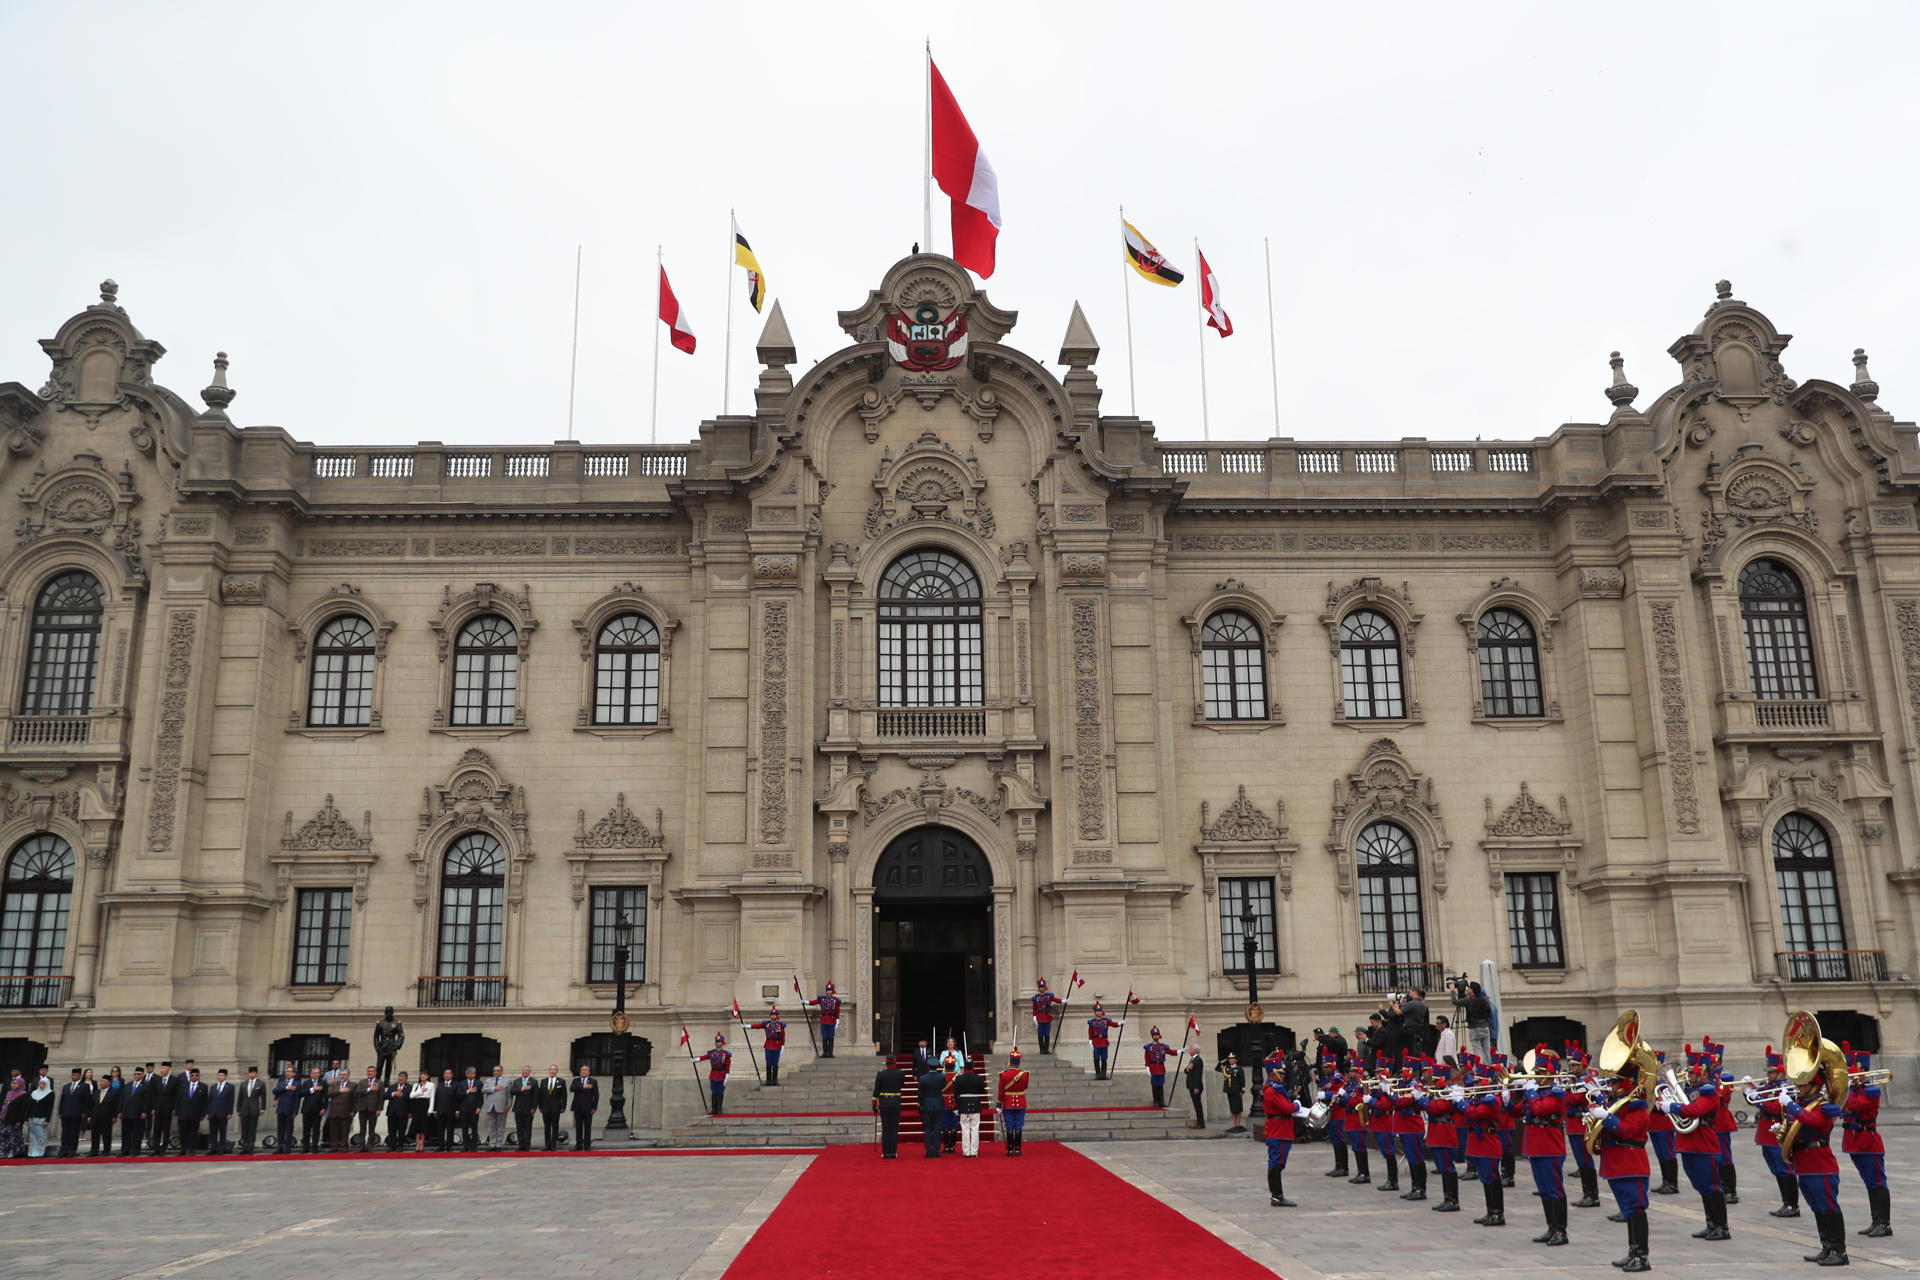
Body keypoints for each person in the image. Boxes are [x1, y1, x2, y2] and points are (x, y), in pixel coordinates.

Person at [1780, 1060, 1849, 1265]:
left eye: (1803, 1085)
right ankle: (1827, 1247)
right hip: (1804, 1164)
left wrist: (1790, 1105)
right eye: (1798, 1085)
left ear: (1815, 1086)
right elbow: (1798, 1128)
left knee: (1828, 1207)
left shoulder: (1824, 1107)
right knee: (1817, 1208)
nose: (1799, 1089)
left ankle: (1840, 1252)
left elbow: (1813, 1121)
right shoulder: (1803, 1106)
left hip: (1820, 1165)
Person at [1588, 1061, 1653, 1273]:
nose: (1612, 1087)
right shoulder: (1618, 1103)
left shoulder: (1637, 1105)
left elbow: (1627, 1131)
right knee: (1628, 1210)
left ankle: (1641, 1257)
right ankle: (1633, 1252)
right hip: (1617, 1163)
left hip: (1630, 1162)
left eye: (1616, 1082)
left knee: (1635, 1209)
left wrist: (1607, 1118)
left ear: (1627, 1083)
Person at [1662, 1044, 1731, 1242]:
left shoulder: (1708, 1091)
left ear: (1703, 1073)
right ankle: (1711, 1224)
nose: (1689, 1077)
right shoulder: (1690, 1090)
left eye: (1693, 1073)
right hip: (1687, 1144)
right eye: (1689, 1073)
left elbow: (1696, 1111)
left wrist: (1672, 1106)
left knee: (1712, 1187)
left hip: (1703, 1145)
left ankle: (1721, 1227)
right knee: (1701, 1186)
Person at [1515, 1050, 1570, 1246]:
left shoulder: (1556, 1093)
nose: (1534, 1075)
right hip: (1536, 1145)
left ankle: (1561, 1231)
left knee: (1554, 1188)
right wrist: (1509, 1095)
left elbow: (1540, 1109)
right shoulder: (1536, 1092)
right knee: (1544, 1189)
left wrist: (1530, 1092)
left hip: (1549, 1145)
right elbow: (1517, 1111)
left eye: (1538, 1071)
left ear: (1548, 1072)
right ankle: (1551, 1227)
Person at [1840, 1042, 1890, 1237]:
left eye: (1849, 1070)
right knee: (1869, 1183)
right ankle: (1876, 1220)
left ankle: (1884, 1224)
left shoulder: (1871, 1091)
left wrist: (1842, 1090)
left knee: (1877, 1182)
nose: (1846, 1074)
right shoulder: (1853, 1090)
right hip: (1854, 1141)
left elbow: (1853, 1105)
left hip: (1868, 1141)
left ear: (1859, 1070)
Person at [1421, 1063, 1463, 1212]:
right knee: (1442, 1167)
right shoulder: (1437, 1093)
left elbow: (1437, 1108)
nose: (1433, 1082)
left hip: (1444, 1133)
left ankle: (1453, 1200)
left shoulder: (1448, 1093)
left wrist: (1422, 1100)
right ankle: (1447, 1198)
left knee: (1447, 1167)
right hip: (1436, 1133)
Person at [1262, 1059, 1299, 1207]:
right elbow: (1287, 1109)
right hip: (1279, 1130)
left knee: (1275, 1162)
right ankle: (1277, 1195)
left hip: (1278, 1128)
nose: (1283, 1076)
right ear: (1273, 1074)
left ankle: (1276, 1194)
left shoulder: (1273, 1088)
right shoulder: (1273, 1090)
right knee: (1277, 1162)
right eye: (1281, 1073)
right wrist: (1296, 1105)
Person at [1391, 1062, 1429, 1202]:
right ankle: (1415, 1187)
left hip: (1412, 1127)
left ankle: (1421, 1189)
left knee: (1417, 1158)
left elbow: (1401, 1103)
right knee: (1411, 1158)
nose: (1403, 1075)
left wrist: (1391, 1095)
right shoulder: (1403, 1085)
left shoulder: (1415, 1086)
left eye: (1407, 1072)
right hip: (1405, 1127)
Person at [871, 1057, 905, 1158]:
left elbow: (876, 1091)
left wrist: (874, 1105)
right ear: (895, 1062)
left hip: (884, 1103)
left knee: (885, 1128)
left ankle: (886, 1153)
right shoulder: (901, 1073)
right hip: (895, 1102)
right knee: (894, 1129)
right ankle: (893, 1153)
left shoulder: (881, 1074)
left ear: (886, 1062)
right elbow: (901, 1085)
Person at [997, 1049, 1028, 1157]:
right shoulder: (1024, 1075)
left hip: (1008, 1103)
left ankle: (1010, 1150)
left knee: (1009, 1126)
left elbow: (1001, 1091)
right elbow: (1025, 1087)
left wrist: (998, 1104)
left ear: (1010, 1062)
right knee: (1018, 1126)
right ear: (1019, 1062)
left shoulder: (1004, 1075)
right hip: (1020, 1102)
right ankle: (1018, 1150)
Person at [954, 1059, 986, 1157]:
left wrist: (956, 1106)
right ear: (973, 1066)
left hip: (963, 1104)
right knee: (975, 1129)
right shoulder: (978, 1078)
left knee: (965, 1129)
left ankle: (966, 1152)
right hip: (975, 1103)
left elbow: (956, 1094)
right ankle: (974, 1151)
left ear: (964, 1067)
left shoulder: (959, 1078)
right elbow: (982, 1091)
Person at [750, 1006, 787, 1086]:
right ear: (770, 1016)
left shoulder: (780, 1025)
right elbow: (758, 1026)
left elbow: (783, 1037)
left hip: (777, 1045)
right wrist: (748, 1026)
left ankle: (774, 1080)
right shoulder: (766, 1024)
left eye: (775, 1015)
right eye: (772, 1015)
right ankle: (768, 1080)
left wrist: (782, 1047)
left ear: (777, 1016)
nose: (773, 1016)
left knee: (775, 1063)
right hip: (768, 1045)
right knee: (768, 1063)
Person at [56, 1067, 89, 1157]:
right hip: (65, 1113)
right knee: (65, 1133)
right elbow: (62, 1100)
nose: (73, 1076)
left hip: (77, 1113)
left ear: (80, 1076)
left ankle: (72, 1150)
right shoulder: (66, 1086)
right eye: (72, 1075)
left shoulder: (84, 1086)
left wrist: (84, 1112)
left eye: (75, 1075)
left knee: (74, 1133)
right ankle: (64, 1150)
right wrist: (60, 1111)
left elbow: (86, 1101)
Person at [1085, 1002, 1123, 1080]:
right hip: (1096, 1041)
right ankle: (1098, 1074)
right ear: (1095, 1013)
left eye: (1100, 1011)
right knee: (1096, 1058)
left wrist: (1120, 1023)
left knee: (1104, 1058)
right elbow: (1090, 1033)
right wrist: (1090, 1042)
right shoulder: (1092, 1022)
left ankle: (1103, 1074)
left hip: (1104, 1041)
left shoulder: (1106, 1021)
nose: (1099, 1013)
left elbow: (1114, 1024)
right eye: (1097, 1011)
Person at [120, 1065, 153, 1156]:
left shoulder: (146, 1086)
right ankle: (125, 1150)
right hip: (126, 1113)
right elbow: (122, 1099)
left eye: (138, 1074)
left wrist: (145, 1112)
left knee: (137, 1133)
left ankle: (135, 1150)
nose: (136, 1076)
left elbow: (147, 1100)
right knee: (126, 1133)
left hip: (138, 1113)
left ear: (142, 1075)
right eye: (135, 1074)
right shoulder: (128, 1085)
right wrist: (120, 1111)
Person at [916, 1061, 945, 1158]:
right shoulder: (942, 1077)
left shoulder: (923, 1078)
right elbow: (943, 1087)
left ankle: (928, 1151)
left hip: (926, 1104)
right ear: (937, 1066)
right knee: (937, 1128)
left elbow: (920, 1093)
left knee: (927, 1129)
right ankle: (936, 1151)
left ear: (928, 1066)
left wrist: (919, 1104)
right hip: (938, 1104)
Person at [272, 1064, 302, 1154]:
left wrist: (295, 1111)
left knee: (289, 1130)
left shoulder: (297, 1084)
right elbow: (275, 1091)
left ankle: (287, 1147)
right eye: (287, 1072)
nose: (288, 1073)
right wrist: (286, 1088)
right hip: (281, 1109)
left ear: (293, 1074)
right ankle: (279, 1146)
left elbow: (297, 1099)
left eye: (290, 1072)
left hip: (290, 1110)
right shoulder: (282, 1083)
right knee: (280, 1129)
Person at [805, 982, 841, 1058]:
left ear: (832, 991)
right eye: (827, 990)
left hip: (831, 1020)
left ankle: (830, 1053)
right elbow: (813, 1002)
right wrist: (805, 1002)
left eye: (830, 990)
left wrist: (837, 1020)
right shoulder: (822, 999)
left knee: (830, 1037)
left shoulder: (836, 1001)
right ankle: (825, 1053)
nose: (828, 992)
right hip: (824, 1020)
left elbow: (837, 1011)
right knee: (824, 1036)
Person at [89, 1067, 120, 1156]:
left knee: (106, 1136)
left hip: (107, 1117)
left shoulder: (113, 1093)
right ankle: (94, 1150)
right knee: (95, 1135)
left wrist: (114, 1116)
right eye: (101, 1081)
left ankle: (106, 1150)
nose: (101, 1083)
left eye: (104, 1082)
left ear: (109, 1083)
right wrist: (90, 1116)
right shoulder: (96, 1092)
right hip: (95, 1117)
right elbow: (91, 1105)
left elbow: (115, 1106)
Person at [236, 1066, 266, 1154]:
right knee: (244, 1128)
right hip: (244, 1108)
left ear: (256, 1073)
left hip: (254, 1109)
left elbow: (263, 1097)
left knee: (252, 1128)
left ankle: (250, 1146)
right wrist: (238, 1109)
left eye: (253, 1073)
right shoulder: (244, 1084)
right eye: (250, 1073)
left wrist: (263, 1109)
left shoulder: (260, 1084)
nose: (251, 1074)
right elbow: (240, 1097)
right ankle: (244, 1146)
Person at [177, 1068, 207, 1155]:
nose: (194, 1077)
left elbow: (204, 1101)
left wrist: (203, 1113)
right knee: (182, 1132)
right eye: (192, 1075)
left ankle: (192, 1149)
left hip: (195, 1113)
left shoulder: (203, 1086)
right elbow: (178, 1100)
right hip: (183, 1113)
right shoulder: (183, 1086)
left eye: (196, 1075)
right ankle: (183, 1148)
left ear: (199, 1076)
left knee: (193, 1132)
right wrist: (177, 1112)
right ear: (190, 1076)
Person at [1461, 982, 1493, 1060]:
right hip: (1485, 1027)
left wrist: (1452, 991)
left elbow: (1456, 1002)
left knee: (1477, 1050)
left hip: (1475, 1028)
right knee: (1487, 1050)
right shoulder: (1486, 1001)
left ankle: (1480, 1067)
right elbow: (1490, 1014)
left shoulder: (1469, 1000)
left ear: (1472, 990)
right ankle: (1491, 1067)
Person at [1143, 1027, 1174, 1107]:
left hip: (1161, 1067)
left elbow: (1170, 1051)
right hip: (1153, 1067)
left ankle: (1161, 1102)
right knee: (1155, 1085)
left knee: (1161, 1085)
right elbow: (1147, 1059)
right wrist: (1147, 1068)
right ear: (1152, 1036)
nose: (1156, 1036)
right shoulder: (1148, 1047)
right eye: (1154, 1035)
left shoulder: (1163, 1046)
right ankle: (1156, 1102)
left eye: (1157, 1035)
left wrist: (1179, 1051)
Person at [509, 1066, 538, 1151]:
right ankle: (521, 1144)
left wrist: (534, 1107)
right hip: (518, 1108)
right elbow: (512, 1091)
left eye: (526, 1071)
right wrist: (522, 1089)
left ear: (529, 1072)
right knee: (519, 1127)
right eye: (523, 1070)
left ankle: (527, 1145)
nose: (524, 1072)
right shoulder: (517, 1081)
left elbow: (536, 1096)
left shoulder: (533, 1081)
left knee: (528, 1127)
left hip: (529, 1108)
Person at [356, 1066, 385, 1151]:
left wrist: (379, 1109)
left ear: (375, 1073)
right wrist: (369, 1089)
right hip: (362, 1108)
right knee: (362, 1129)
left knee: (371, 1129)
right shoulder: (362, 1082)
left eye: (372, 1071)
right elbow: (358, 1091)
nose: (370, 1073)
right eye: (368, 1071)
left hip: (373, 1108)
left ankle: (370, 1146)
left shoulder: (380, 1083)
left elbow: (381, 1097)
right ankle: (361, 1146)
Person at [206, 1069, 235, 1154]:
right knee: (212, 1132)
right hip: (213, 1112)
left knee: (222, 1132)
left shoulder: (230, 1087)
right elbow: (210, 1100)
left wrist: (230, 1112)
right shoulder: (213, 1087)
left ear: (225, 1076)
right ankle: (213, 1148)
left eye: (221, 1075)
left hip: (223, 1113)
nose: (219, 1077)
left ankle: (221, 1149)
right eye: (218, 1075)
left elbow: (231, 1100)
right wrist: (208, 1112)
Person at [299, 1066, 327, 1153]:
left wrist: (324, 1108)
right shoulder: (306, 1083)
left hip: (317, 1110)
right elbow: (301, 1093)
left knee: (316, 1129)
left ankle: (315, 1147)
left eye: (318, 1073)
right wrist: (312, 1089)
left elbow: (325, 1097)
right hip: (307, 1109)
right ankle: (305, 1147)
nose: (316, 1074)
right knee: (306, 1129)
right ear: (311, 1074)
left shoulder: (323, 1082)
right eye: (315, 1073)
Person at [539, 1063, 568, 1147]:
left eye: (554, 1069)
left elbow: (564, 1096)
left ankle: (553, 1145)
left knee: (555, 1126)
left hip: (556, 1108)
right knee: (546, 1127)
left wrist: (563, 1107)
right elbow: (540, 1095)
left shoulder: (561, 1081)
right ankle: (547, 1145)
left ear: (557, 1071)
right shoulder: (543, 1081)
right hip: (545, 1108)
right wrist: (540, 1106)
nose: (552, 1071)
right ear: (549, 1071)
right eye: (551, 1069)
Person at [1031, 979, 1063, 1055]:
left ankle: (1046, 1050)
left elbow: (1056, 1000)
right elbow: (1034, 1008)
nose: (1042, 988)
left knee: (1047, 1034)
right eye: (1040, 987)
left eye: (1043, 987)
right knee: (1040, 1034)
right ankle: (1041, 1050)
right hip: (1039, 1017)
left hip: (1047, 1016)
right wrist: (1034, 1017)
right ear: (1039, 988)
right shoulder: (1036, 998)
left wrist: (1063, 1001)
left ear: (1045, 988)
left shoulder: (1049, 996)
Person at [481, 1065, 510, 1149]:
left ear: (501, 1071)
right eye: (494, 1071)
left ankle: (499, 1145)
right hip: (490, 1106)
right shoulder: (489, 1080)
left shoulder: (507, 1081)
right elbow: (483, 1090)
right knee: (492, 1127)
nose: (496, 1072)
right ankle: (492, 1144)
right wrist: (494, 1088)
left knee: (500, 1127)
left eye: (497, 1071)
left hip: (502, 1106)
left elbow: (509, 1095)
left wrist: (509, 1105)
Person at [570, 1066, 599, 1151]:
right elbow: (572, 1089)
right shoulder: (576, 1081)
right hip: (577, 1108)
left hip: (588, 1108)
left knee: (587, 1127)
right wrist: (583, 1087)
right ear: (580, 1072)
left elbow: (596, 1096)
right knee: (578, 1127)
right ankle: (578, 1145)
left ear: (589, 1072)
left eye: (586, 1070)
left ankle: (587, 1145)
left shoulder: (593, 1081)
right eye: (582, 1070)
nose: (584, 1072)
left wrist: (594, 1107)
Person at [27, 1068, 54, 1157]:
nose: (41, 1085)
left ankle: (40, 1152)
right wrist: (27, 1118)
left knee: (41, 1136)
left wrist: (47, 1120)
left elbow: (50, 1108)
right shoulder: (34, 1093)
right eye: (40, 1083)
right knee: (32, 1136)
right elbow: (30, 1106)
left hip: (42, 1117)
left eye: (43, 1083)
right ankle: (32, 1152)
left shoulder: (50, 1093)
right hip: (32, 1117)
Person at [326, 1073, 355, 1152]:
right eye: (341, 1075)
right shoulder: (335, 1084)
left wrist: (353, 1111)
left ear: (348, 1076)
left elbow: (355, 1099)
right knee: (333, 1130)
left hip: (346, 1111)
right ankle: (334, 1146)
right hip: (334, 1111)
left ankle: (344, 1146)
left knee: (345, 1130)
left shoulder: (353, 1085)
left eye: (344, 1075)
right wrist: (339, 1091)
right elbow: (328, 1094)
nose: (342, 1076)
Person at [1400, 988, 1433, 1057]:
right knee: (1416, 1049)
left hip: (1410, 1030)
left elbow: (1398, 1012)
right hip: (1419, 1030)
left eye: (1410, 992)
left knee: (1411, 1050)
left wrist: (1393, 1005)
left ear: (1414, 992)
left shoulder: (1412, 1004)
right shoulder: (1424, 1005)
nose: (1409, 994)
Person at [431, 1068, 458, 1152]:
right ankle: (441, 1146)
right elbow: (436, 1098)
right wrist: (435, 1110)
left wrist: (457, 1110)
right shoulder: (440, 1084)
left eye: (448, 1073)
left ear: (452, 1075)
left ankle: (449, 1146)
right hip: (440, 1111)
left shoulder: (456, 1084)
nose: (446, 1075)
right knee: (440, 1129)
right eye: (445, 1074)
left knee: (450, 1129)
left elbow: (457, 1099)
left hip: (451, 1111)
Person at [704, 1038, 732, 1117]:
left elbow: (727, 1066)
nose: (718, 1043)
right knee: (714, 1092)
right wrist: (696, 1059)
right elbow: (704, 1057)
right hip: (713, 1074)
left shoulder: (725, 1054)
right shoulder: (712, 1053)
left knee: (720, 1092)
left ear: (722, 1043)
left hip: (721, 1074)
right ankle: (714, 1110)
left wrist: (727, 1076)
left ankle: (719, 1109)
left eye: (719, 1042)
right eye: (717, 1042)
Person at [0, 1070, 25, 1159]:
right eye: (13, 1083)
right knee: (3, 1136)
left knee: (13, 1137)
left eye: (15, 1083)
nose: (13, 1085)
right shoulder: (9, 1093)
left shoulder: (23, 1095)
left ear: (20, 1085)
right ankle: (3, 1152)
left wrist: (19, 1120)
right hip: (4, 1118)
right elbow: (5, 1104)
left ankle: (13, 1152)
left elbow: (22, 1110)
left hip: (14, 1119)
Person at [385, 1073, 413, 1151]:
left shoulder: (409, 1087)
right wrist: (393, 1094)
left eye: (403, 1077)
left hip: (403, 1113)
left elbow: (411, 1101)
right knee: (391, 1130)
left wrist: (410, 1112)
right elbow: (385, 1096)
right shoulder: (392, 1086)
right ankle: (391, 1146)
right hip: (391, 1112)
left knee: (401, 1130)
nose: (401, 1078)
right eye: (400, 1076)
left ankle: (400, 1146)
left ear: (406, 1079)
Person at [457, 1066, 483, 1150]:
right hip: (464, 1109)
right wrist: (468, 1091)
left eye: (474, 1073)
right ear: (467, 1074)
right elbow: (458, 1095)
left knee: (474, 1128)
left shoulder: (479, 1083)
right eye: (471, 1073)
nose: (473, 1074)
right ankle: (466, 1145)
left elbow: (480, 1097)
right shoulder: (461, 1083)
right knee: (464, 1128)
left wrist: (479, 1107)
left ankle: (474, 1145)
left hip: (474, 1109)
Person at [1221, 1052, 1246, 1135]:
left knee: (1238, 1108)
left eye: (1232, 1059)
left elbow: (1242, 1080)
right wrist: (1223, 1061)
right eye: (1229, 1059)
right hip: (1230, 1090)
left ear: (1236, 1060)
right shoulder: (1226, 1068)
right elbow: (1217, 1068)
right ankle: (1234, 1124)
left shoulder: (1239, 1069)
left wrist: (1242, 1090)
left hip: (1237, 1091)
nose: (1230, 1060)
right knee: (1232, 1107)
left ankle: (1238, 1124)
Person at [408, 1074, 434, 1152]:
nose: (422, 1077)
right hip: (417, 1106)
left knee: (423, 1126)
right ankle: (417, 1144)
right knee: (416, 1126)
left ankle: (422, 1144)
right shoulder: (416, 1085)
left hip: (425, 1105)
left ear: (427, 1076)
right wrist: (421, 1091)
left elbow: (432, 1097)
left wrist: (430, 1110)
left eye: (424, 1075)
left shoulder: (431, 1085)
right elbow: (411, 1096)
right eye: (421, 1075)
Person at [1184, 1047, 1206, 1129]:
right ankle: (1199, 1122)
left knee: (1197, 1105)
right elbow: (1186, 1070)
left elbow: (1198, 1075)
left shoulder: (1198, 1060)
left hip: (1195, 1087)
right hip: (1191, 1086)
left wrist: (1197, 1087)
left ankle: (1201, 1123)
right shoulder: (1193, 1059)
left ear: (1195, 1051)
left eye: (1191, 1049)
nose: (1189, 1051)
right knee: (1196, 1105)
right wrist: (1187, 1068)